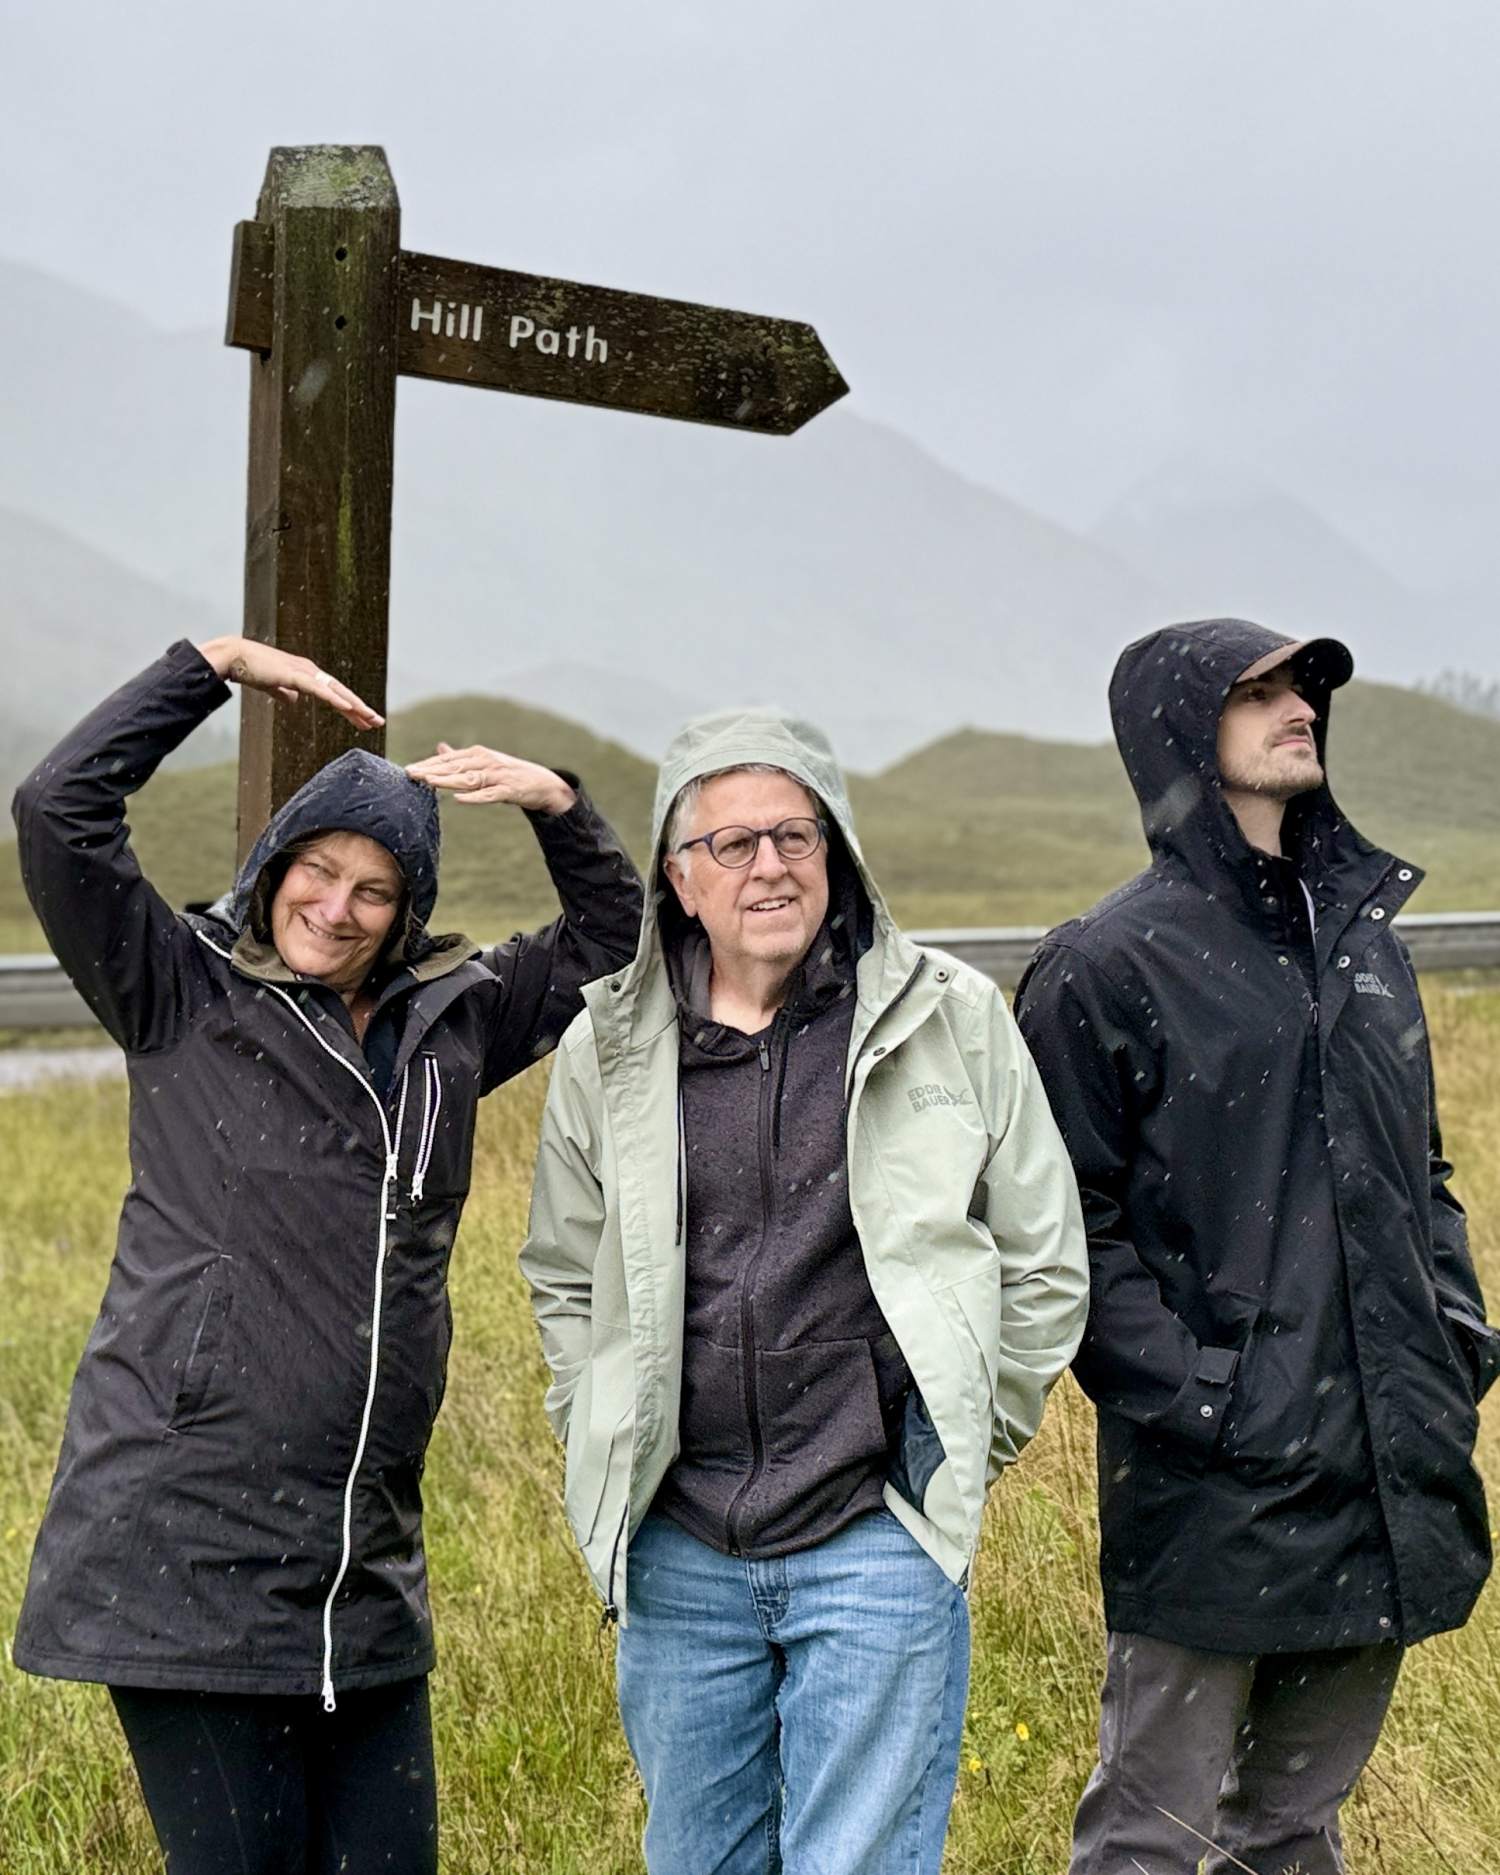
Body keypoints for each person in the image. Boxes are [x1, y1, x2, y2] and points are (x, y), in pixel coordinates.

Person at [10, 634, 642, 1875]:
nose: (335, 908)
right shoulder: (180, 988)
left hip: (364, 1568)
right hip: (185, 1553)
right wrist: (213, 664)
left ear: (408, 912)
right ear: (272, 867)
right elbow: (59, 811)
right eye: (315, 870)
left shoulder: (455, 1021)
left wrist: (559, 804)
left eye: (373, 890)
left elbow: (613, 943)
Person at [520, 706, 1089, 1875]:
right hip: (678, 1547)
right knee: (699, 1860)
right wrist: (599, 1428)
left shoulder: (952, 1018)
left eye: (794, 835)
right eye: (731, 844)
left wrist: (961, 1440)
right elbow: (563, 1275)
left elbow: (1042, 1256)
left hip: (876, 1536)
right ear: (680, 880)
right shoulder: (609, 1049)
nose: (768, 866)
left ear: (837, 852)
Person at [1013, 618, 1498, 1875]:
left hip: (1385, 1465)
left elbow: (1421, 1174)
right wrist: (1207, 1398)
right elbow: (1060, 1227)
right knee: (1151, 1838)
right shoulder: (1101, 967)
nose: (1298, 708)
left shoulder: (1366, 945)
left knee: (1290, 1831)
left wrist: (1453, 1345)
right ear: (1178, 730)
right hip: (1213, 1487)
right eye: (1258, 692)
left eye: (1303, 688)